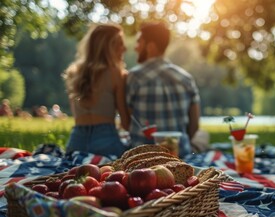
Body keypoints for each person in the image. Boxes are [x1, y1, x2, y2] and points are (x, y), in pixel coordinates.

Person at [127, 21, 200, 158]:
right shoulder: (186, 78)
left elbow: (128, 121)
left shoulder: (135, 77)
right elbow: (194, 126)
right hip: (180, 155)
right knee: (203, 138)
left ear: (151, 47)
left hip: (143, 157)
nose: (136, 48)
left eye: (139, 42)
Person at [63, 23, 130, 158]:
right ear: (110, 47)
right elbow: (125, 123)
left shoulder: (74, 73)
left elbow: (77, 116)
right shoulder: (116, 74)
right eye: (120, 44)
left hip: (76, 142)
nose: (125, 49)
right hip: (106, 141)